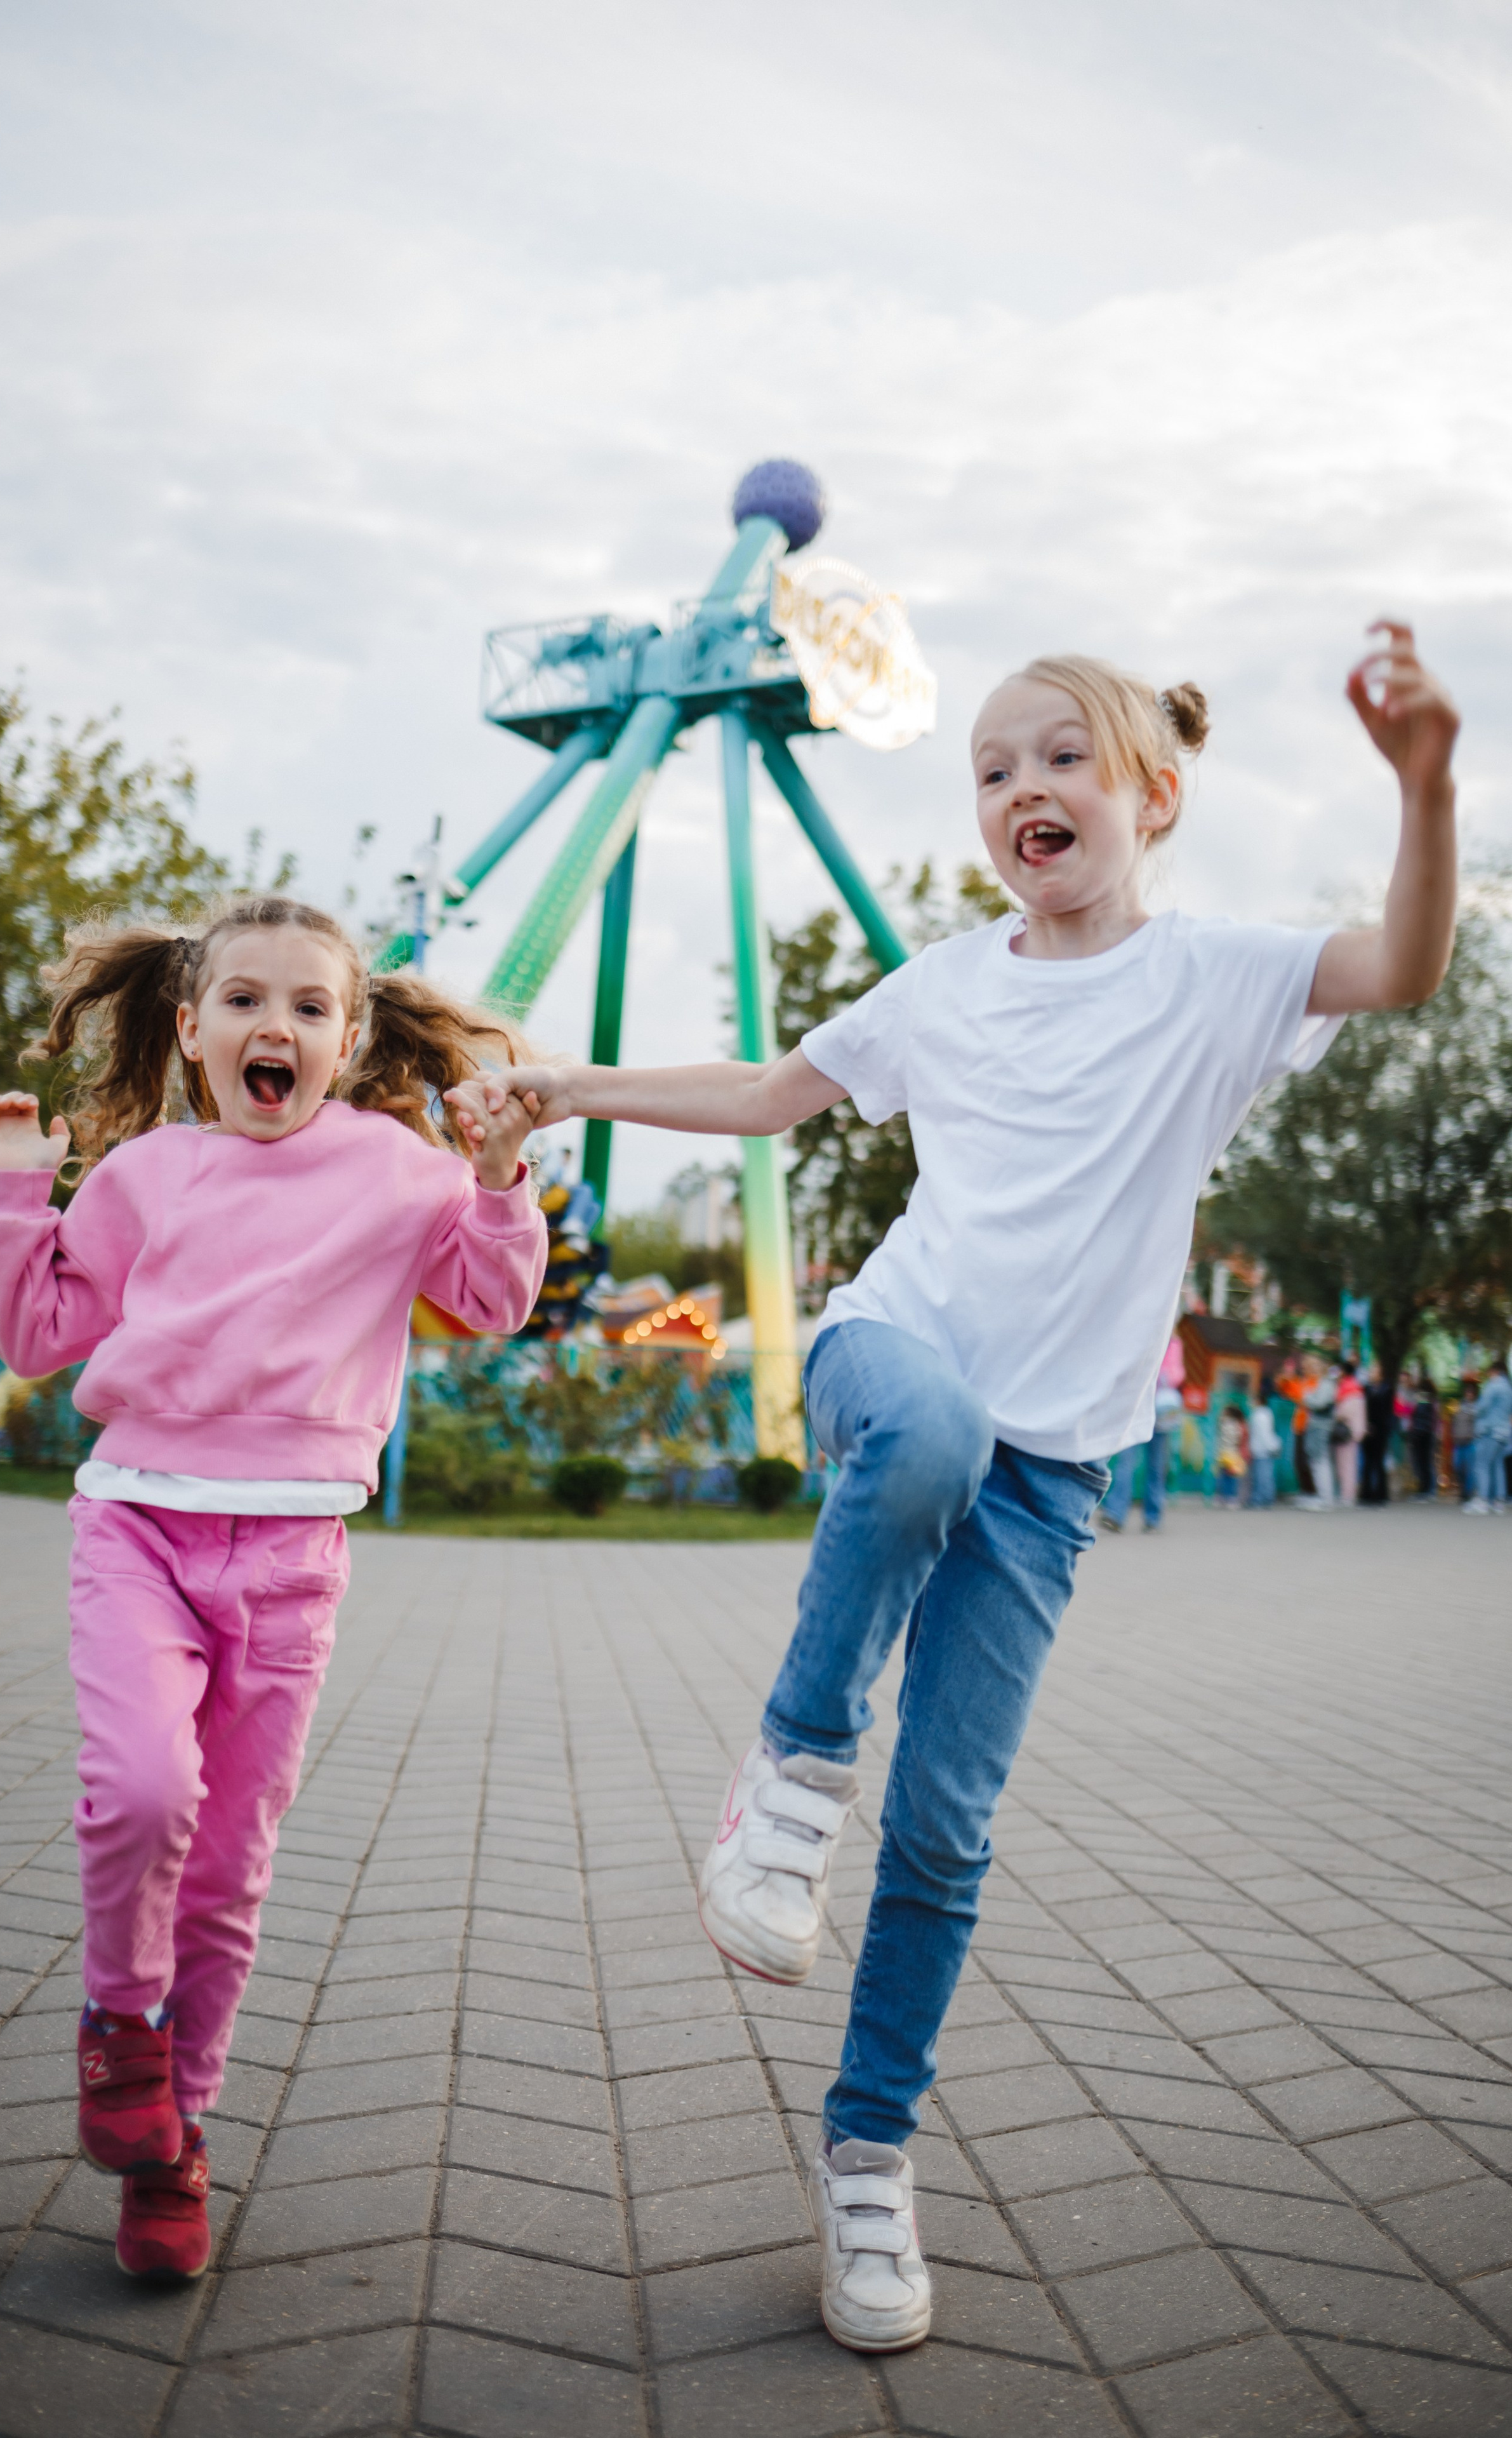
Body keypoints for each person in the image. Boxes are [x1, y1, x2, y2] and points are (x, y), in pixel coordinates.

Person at [456, 621, 1458, 2354]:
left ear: (1151, 796)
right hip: (893, 1356)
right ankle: (790, 1773)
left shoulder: (1220, 979)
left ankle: (867, 2159)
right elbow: (773, 1098)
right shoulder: (944, 985)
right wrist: (568, 1087)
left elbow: (1407, 968)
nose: (1021, 791)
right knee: (926, 1438)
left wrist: (1427, 786)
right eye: (991, 771)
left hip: (1054, 1470)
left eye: (1059, 759)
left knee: (947, 1835)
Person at [0, 896, 546, 2283]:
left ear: (345, 1045)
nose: (270, 1027)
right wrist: (10, 1194)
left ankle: (175, 2142)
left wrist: (503, 1173)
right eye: (241, 1002)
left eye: (304, 1008)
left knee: (226, 1867)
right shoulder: (145, 1176)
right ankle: (120, 2030)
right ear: (191, 1027)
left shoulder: (398, 1177)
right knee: (143, 1796)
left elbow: (489, 1296)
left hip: (291, 1560)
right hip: (140, 1534)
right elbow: (41, 1330)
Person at [1099, 1332, 1184, 1532]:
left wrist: (1159, 1375)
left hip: (1159, 1412)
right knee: (1126, 1463)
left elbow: (1177, 1375)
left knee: (1154, 1466)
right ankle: (1115, 1514)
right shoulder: (1143, 1334)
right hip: (1136, 1410)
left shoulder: (1173, 1343)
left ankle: (1152, 1517)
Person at [1475, 1357, 1512, 1512]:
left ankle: (1483, 1500)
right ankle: (1499, 1501)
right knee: (1498, 1466)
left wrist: (1474, 1412)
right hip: (1504, 1432)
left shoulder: (1494, 1386)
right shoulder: (1509, 1388)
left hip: (1490, 1431)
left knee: (1482, 1464)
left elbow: (1482, 1407)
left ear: (1494, 1372)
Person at [1301, 1354, 1338, 1507]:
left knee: (1320, 1461)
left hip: (1321, 1425)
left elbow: (1320, 1403)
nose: (1312, 1368)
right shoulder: (1321, 1383)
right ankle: (1322, 1496)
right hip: (1316, 1424)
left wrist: (1308, 1398)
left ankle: (1325, 1498)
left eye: (1315, 1365)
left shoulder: (1326, 1384)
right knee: (1316, 1461)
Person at [1332, 1361, 1367, 1506]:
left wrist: (1335, 1413)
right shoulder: (1356, 1387)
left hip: (1347, 1432)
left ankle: (1348, 1495)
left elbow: (1344, 1412)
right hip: (1352, 1432)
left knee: (1347, 1464)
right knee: (1347, 1463)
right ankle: (1347, 1494)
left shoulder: (1349, 1389)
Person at [1359, 1366, 1394, 1505]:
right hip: (1368, 1430)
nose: (1371, 1373)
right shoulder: (1366, 1389)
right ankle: (1366, 1494)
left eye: (1374, 1371)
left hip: (1381, 1431)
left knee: (1379, 1463)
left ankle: (1381, 1495)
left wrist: (1380, 1428)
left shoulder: (1387, 1390)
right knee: (1368, 1463)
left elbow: (1387, 1412)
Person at [1247, 1382, 1281, 1507]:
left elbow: (1264, 1435)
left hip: (1263, 1451)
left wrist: (1271, 1447)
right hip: (1262, 1450)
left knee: (1263, 1477)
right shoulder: (1264, 1413)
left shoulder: (1260, 1415)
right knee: (1263, 1476)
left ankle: (1262, 1500)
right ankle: (1263, 1499)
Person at [1407, 1375, 1438, 1500]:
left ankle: (1425, 1489)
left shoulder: (1420, 1399)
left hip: (1419, 1433)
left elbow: (1414, 1413)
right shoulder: (1434, 1400)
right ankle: (1430, 1490)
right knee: (1428, 1462)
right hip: (1429, 1433)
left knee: (1420, 1462)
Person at [1454, 1378, 1482, 1510]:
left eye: (1471, 1392)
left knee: (1470, 1469)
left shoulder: (1478, 1407)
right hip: (1459, 1441)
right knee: (1458, 1466)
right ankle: (1463, 1490)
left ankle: (1467, 1494)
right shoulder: (1460, 1406)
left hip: (1471, 1441)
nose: (1469, 1394)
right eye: (1467, 1392)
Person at [1215, 1402, 1249, 1503]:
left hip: (1225, 1453)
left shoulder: (1226, 1423)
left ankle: (1224, 1496)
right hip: (1233, 1453)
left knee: (1225, 1477)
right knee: (1231, 1477)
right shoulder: (1238, 1424)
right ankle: (1230, 1497)